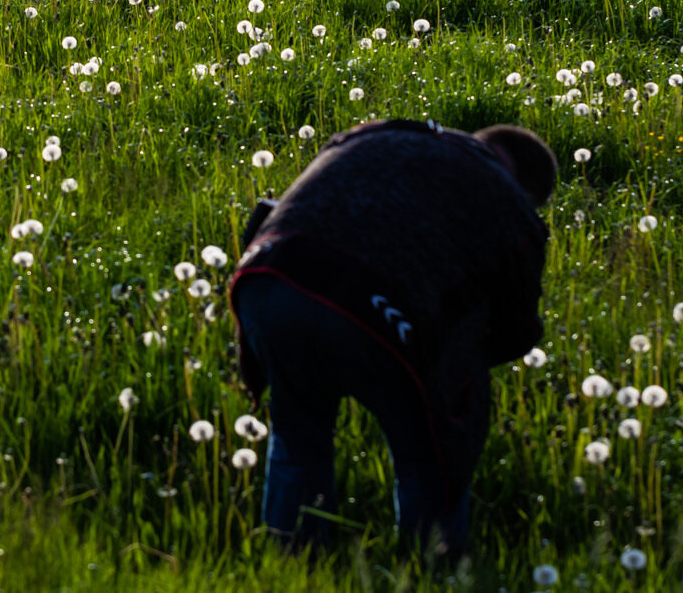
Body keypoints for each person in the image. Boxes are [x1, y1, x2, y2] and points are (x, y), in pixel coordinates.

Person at [227, 118, 555, 558]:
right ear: (525, 187)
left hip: (271, 276)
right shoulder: (508, 200)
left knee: (296, 440)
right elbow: (514, 332)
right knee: (429, 457)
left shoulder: (374, 133)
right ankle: (431, 571)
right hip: (377, 310)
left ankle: (292, 567)